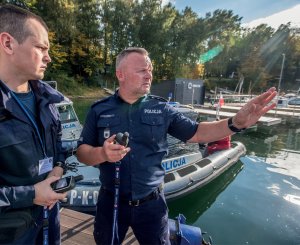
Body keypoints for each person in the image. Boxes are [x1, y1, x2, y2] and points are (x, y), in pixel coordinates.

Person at [77, 47, 277, 244]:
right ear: (120, 74)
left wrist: (235, 123)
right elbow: (82, 153)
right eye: (141, 70)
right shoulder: (99, 110)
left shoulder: (162, 108)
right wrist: (102, 153)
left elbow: (198, 132)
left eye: (150, 70)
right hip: (110, 203)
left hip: (151, 205)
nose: (149, 75)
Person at [0, 4, 68, 244]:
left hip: (50, 220)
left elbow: (59, 145)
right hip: (11, 234)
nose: (48, 57)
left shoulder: (48, 99)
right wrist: (31, 194)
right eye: (41, 47)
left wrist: (59, 167)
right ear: (8, 44)